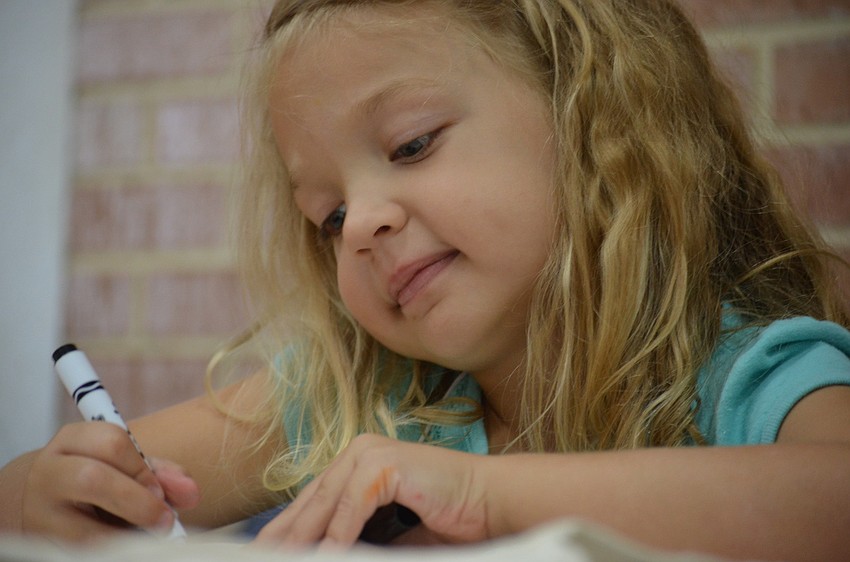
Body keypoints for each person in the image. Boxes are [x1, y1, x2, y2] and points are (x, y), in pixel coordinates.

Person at [2, 0, 850, 559]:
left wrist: (481, 495)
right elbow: (23, 497)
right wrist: (54, 496)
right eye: (329, 215)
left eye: (411, 145)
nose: (358, 226)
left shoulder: (739, 374)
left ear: (592, 113)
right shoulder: (354, 392)